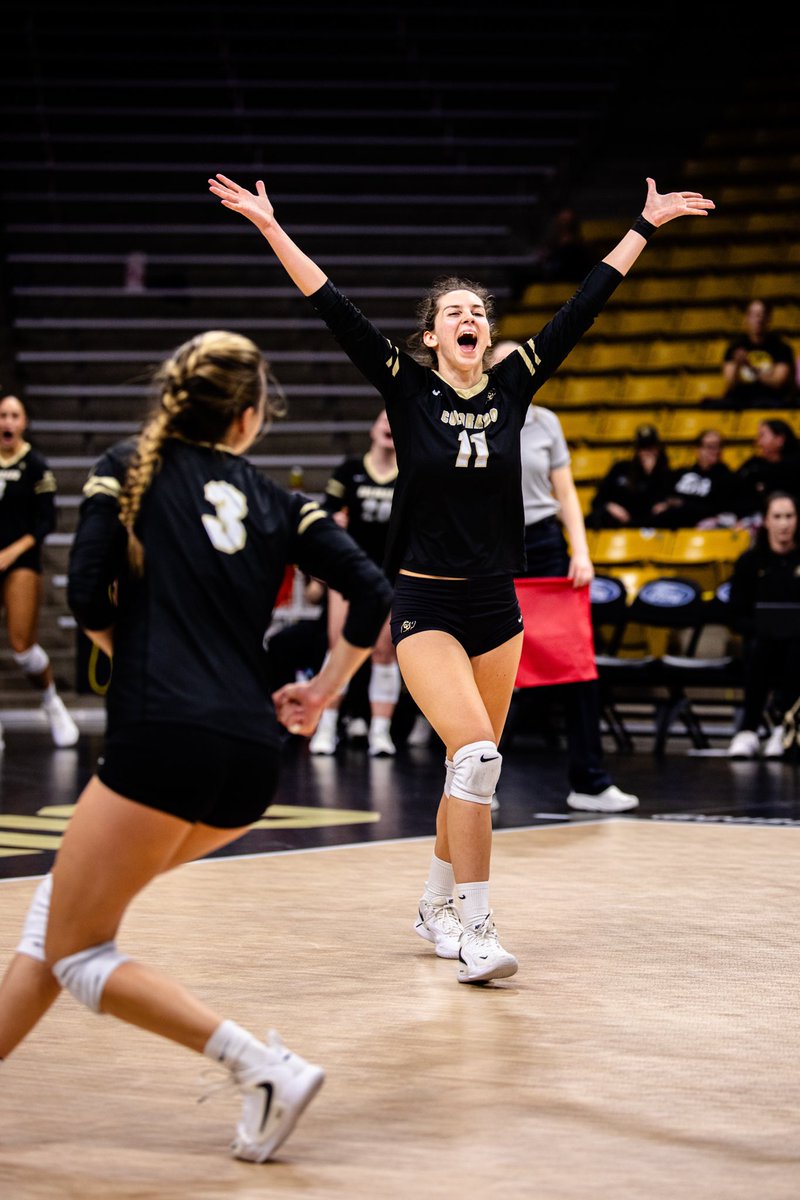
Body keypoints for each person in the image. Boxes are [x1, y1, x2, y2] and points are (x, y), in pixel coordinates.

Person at [208, 170, 714, 984]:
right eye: (455, 314)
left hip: (497, 604)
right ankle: (476, 928)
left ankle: (433, 904)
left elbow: (585, 305)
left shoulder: (514, 387)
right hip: (425, 602)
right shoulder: (407, 388)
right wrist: (270, 227)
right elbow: (330, 304)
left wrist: (644, 226)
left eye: (478, 310)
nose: (471, 318)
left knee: (469, 767)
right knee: (476, 756)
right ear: (433, 338)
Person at [0, 331, 393, 1161]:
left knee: (77, 951)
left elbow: (85, 590)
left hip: (162, 742)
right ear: (249, 420)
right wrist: (322, 690)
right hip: (250, 760)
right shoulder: (282, 501)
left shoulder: (125, 467)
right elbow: (371, 589)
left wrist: (135, 652)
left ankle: (264, 1067)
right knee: (58, 917)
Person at [491, 339, 639, 814]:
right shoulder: (473, 420)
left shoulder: (547, 422)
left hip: (547, 547)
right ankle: (476, 781)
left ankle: (589, 782)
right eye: (504, 363)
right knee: (491, 670)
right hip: (493, 551)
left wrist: (582, 551)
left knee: (576, 665)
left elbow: (567, 493)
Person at [310, 408, 401, 757]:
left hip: (388, 572)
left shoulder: (407, 472)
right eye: (383, 420)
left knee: (383, 650)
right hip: (349, 569)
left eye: (395, 422)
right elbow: (326, 515)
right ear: (373, 428)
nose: (389, 426)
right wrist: (335, 523)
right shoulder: (349, 471)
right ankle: (327, 724)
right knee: (339, 645)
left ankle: (381, 732)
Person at [0, 392, 79, 749]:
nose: (8, 423)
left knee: (22, 647)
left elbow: (47, 520)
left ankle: (51, 701)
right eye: (2, 415)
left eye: (15, 416)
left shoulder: (36, 465)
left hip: (20, 560)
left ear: (25, 422)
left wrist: (10, 552)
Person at [725, 491, 800, 759]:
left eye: (789, 516)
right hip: (759, 643)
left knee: (794, 646)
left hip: (796, 646)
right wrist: (758, 627)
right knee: (761, 646)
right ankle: (749, 730)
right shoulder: (749, 562)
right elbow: (734, 613)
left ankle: (785, 727)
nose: (784, 523)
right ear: (766, 521)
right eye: (777, 516)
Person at [586, 423, 673, 529]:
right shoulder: (620, 469)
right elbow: (597, 501)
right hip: (617, 523)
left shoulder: (665, 474)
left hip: (647, 525)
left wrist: (650, 474)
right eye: (642, 448)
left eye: (650, 448)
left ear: (658, 449)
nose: (646, 453)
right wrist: (610, 507)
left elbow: (658, 505)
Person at [715, 298, 797, 410]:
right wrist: (738, 365)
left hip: (771, 401)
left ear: (769, 319)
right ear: (747, 319)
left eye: (761, 314)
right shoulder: (735, 347)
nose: (758, 319)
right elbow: (731, 383)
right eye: (754, 315)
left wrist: (750, 366)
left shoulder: (781, 348)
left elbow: (778, 382)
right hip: (741, 400)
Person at [649, 428, 738, 529]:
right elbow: (661, 494)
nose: (715, 451)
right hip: (669, 524)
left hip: (699, 528)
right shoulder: (681, 473)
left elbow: (715, 507)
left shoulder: (727, 477)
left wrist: (681, 503)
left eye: (718, 446)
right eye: (710, 447)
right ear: (698, 449)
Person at [731, 418, 800, 527]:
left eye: (762, 436)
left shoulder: (795, 466)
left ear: (779, 440)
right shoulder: (753, 465)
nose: (758, 442)